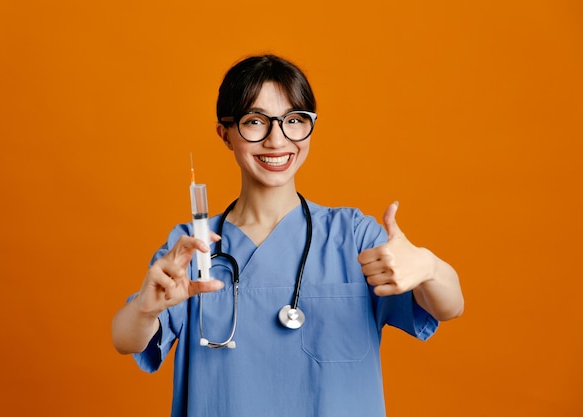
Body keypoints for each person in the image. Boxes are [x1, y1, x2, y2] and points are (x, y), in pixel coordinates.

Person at [111, 54, 464, 417]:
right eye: (254, 122)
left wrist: (428, 267)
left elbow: (449, 306)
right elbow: (126, 340)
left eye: (294, 121)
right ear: (226, 134)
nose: (277, 139)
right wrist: (145, 308)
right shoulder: (193, 247)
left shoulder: (352, 236)